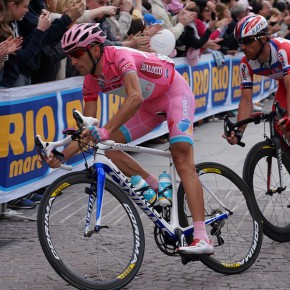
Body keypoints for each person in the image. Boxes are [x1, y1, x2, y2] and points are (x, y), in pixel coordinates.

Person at [47, 23, 214, 255]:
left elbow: (134, 97)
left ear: (95, 50)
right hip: (148, 107)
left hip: (174, 94)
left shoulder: (120, 57)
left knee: (182, 158)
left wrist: (105, 130)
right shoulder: (90, 81)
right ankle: (156, 188)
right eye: (69, 55)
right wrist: (61, 155)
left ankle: (202, 237)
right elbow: (89, 128)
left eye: (76, 53)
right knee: (103, 145)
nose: (72, 61)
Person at [224, 14, 290, 146]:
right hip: (284, 84)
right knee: (279, 126)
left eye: (247, 41)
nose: (242, 47)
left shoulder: (282, 51)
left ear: (263, 38)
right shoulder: (246, 63)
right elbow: (246, 100)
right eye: (240, 42)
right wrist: (239, 132)